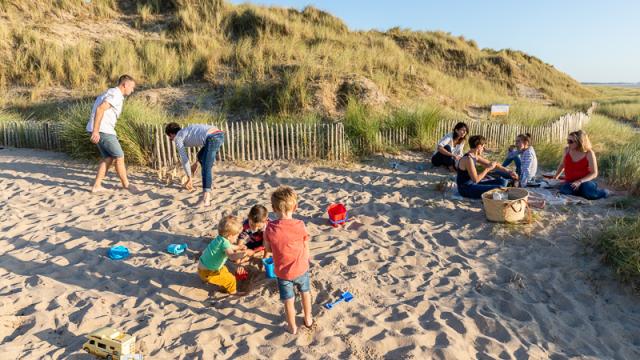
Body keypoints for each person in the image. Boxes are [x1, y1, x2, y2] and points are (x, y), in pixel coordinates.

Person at [264, 186, 313, 335]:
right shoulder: (300, 225)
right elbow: (305, 244)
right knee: (305, 293)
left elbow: (268, 249)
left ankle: (292, 327)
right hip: (302, 268)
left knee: (288, 300)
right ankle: (308, 319)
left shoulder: (270, 228)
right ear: (296, 207)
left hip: (283, 272)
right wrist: (306, 260)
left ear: (273, 208)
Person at [86, 74, 137, 193]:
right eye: (132, 87)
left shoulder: (110, 92)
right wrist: (96, 131)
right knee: (120, 156)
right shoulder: (116, 94)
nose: (132, 90)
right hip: (104, 130)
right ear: (125, 85)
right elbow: (100, 109)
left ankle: (97, 185)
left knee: (108, 158)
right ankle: (126, 185)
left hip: (102, 129)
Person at [165, 122, 225, 206]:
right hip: (219, 134)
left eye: (170, 138)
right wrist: (196, 163)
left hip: (212, 138)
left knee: (206, 168)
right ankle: (209, 184)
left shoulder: (178, 137)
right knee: (200, 156)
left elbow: (184, 159)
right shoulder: (186, 131)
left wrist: (189, 178)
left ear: (171, 134)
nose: (171, 140)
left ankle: (206, 198)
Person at [198, 215, 247, 296]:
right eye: (236, 236)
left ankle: (220, 284)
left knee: (225, 270)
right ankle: (233, 292)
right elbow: (231, 256)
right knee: (231, 279)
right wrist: (242, 254)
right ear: (230, 236)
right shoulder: (225, 243)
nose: (237, 238)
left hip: (203, 268)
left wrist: (238, 247)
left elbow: (229, 246)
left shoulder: (220, 239)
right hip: (209, 272)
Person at [552, 130, 609, 200]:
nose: (568, 143)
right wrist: (555, 177)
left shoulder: (589, 153)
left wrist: (579, 181)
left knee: (590, 194)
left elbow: (594, 173)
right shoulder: (567, 150)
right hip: (570, 182)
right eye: (567, 140)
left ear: (579, 142)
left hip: (585, 182)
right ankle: (580, 192)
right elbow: (562, 165)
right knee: (564, 191)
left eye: (570, 141)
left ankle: (605, 192)